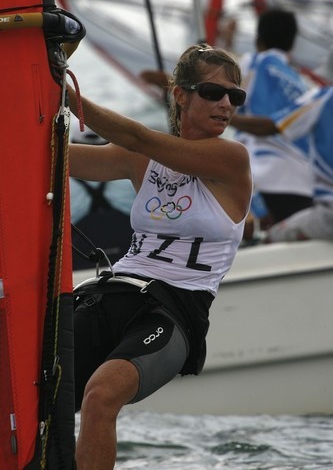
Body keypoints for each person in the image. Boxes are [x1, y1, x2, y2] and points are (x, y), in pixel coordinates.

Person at [68, 44, 252, 469]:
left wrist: (63, 90)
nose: (226, 104)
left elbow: (137, 136)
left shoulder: (230, 159)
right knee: (29, 391)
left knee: (101, 394)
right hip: (109, 295)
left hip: (172, 311)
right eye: (212, 92)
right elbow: (54, 160)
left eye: (234, 96)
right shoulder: (139, 160)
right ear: (181, 95)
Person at [234, 7, 313, 227]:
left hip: (265, 176)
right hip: (303, 182)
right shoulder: (300, 83)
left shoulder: (255, 62)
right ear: (292, 44)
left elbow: (221, 89)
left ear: (258, 39)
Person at [231, 84, 333, 241]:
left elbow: (273, 126)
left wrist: (226, 116)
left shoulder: (324, 97)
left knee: (270, 238)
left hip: (328, 216)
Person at [69, 118, 136, 268]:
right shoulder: (133, 175)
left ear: (72, 144)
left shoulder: (60, 182)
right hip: (130, 261)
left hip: (81, 264)